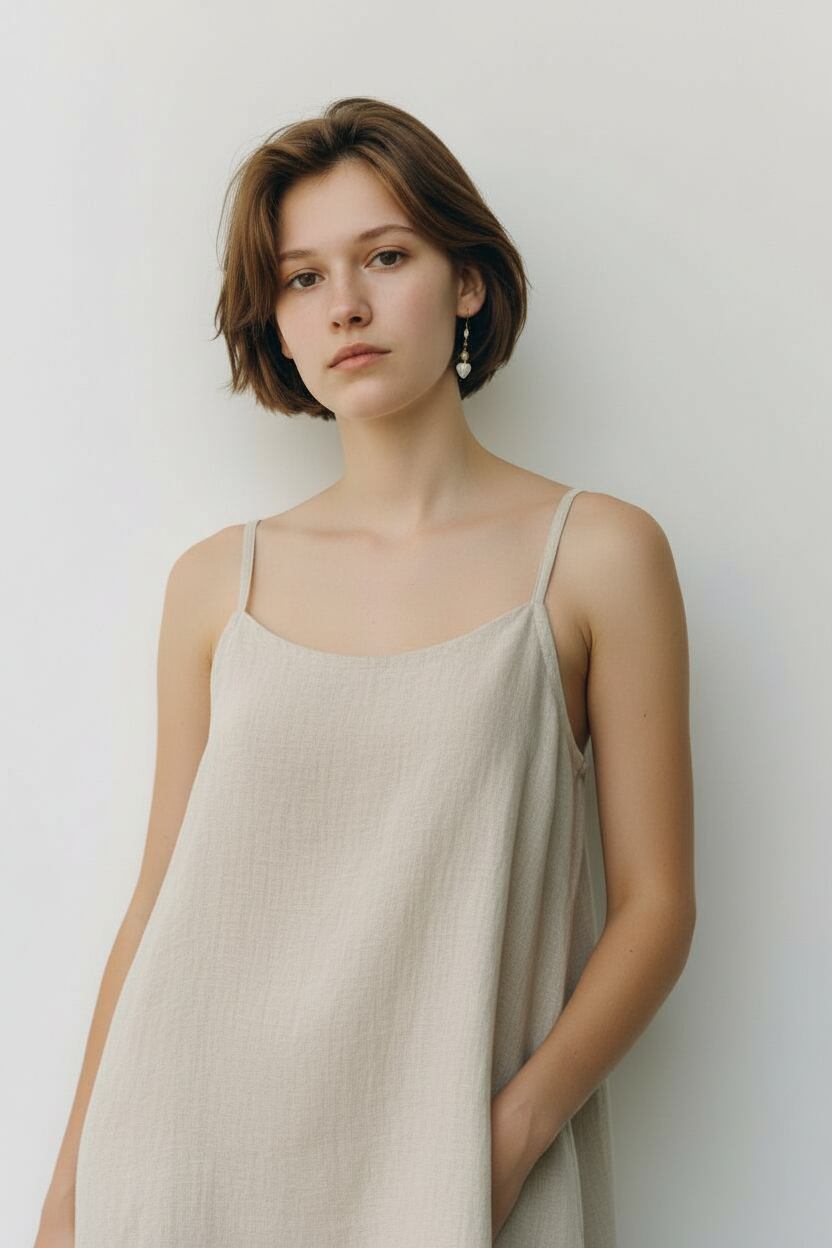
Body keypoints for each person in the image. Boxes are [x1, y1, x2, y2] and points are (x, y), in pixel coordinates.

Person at [35, 96, 695, 1247]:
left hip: (453, 1159)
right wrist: (67, 1196)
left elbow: (656, 907)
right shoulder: (216, 584)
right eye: (301, 279)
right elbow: (157, 905)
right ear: (278, 325)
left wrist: (505, 1140)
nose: (344, 303)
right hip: (185, 1155)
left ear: (466, 282)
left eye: (385, 257)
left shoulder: (595, 555)